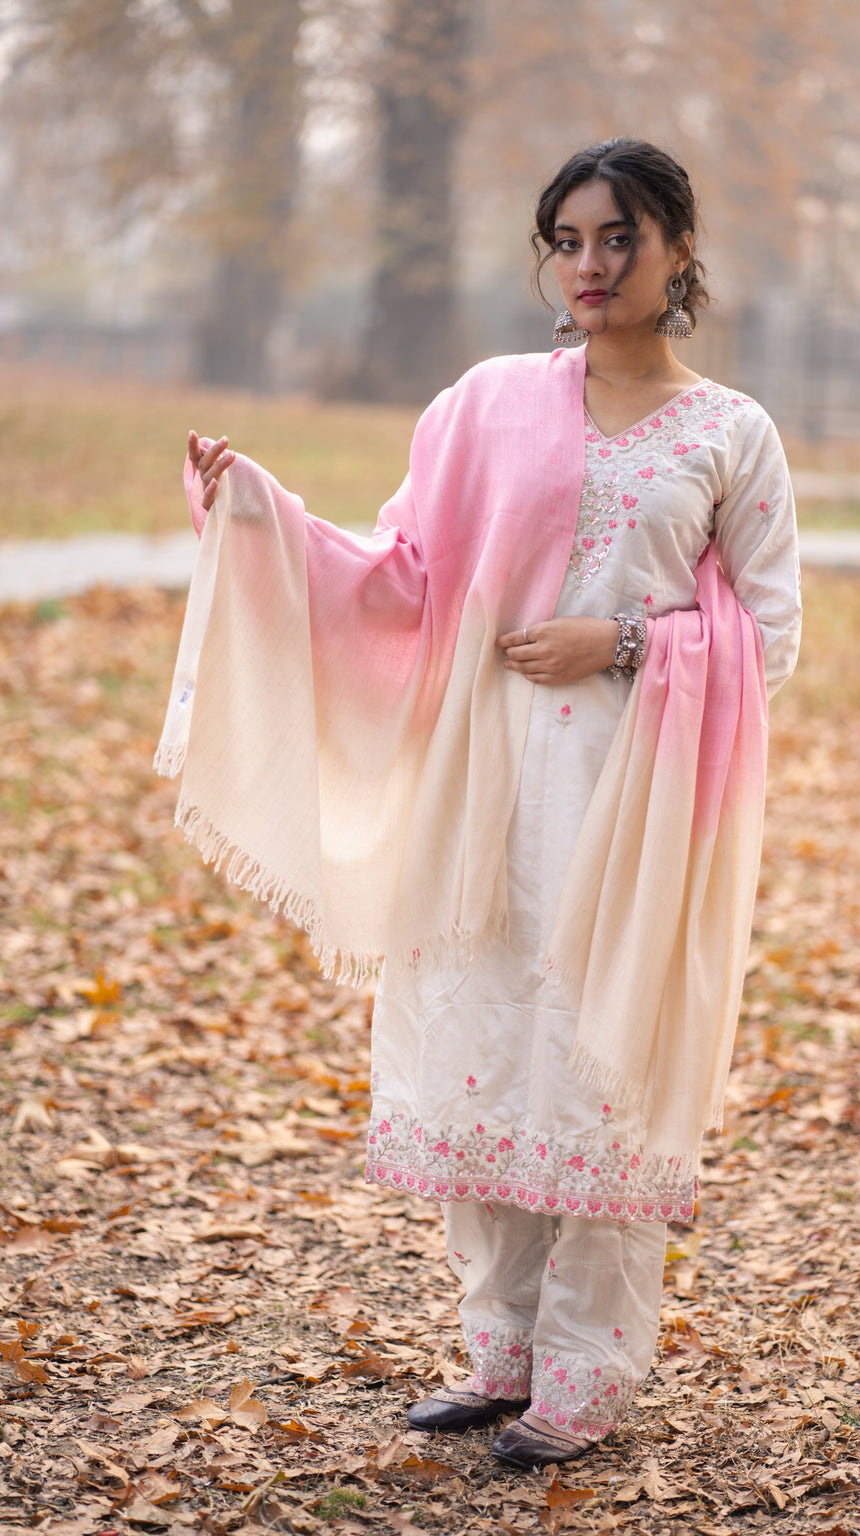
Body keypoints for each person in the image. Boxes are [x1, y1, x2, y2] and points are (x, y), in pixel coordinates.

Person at [163, 138, 801, 1472]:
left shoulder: (732, 433)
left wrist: (618, 643)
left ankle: (584, 1374)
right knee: (484, 1056)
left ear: (679, 252)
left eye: (620, 238)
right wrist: (261, 512)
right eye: (567, 239)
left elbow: (774, 638)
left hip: (634, 798)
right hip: (486, 787)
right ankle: (498, 1354)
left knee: (595, 1065)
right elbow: (402, 577)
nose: (590, 264)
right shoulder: (485, 404)